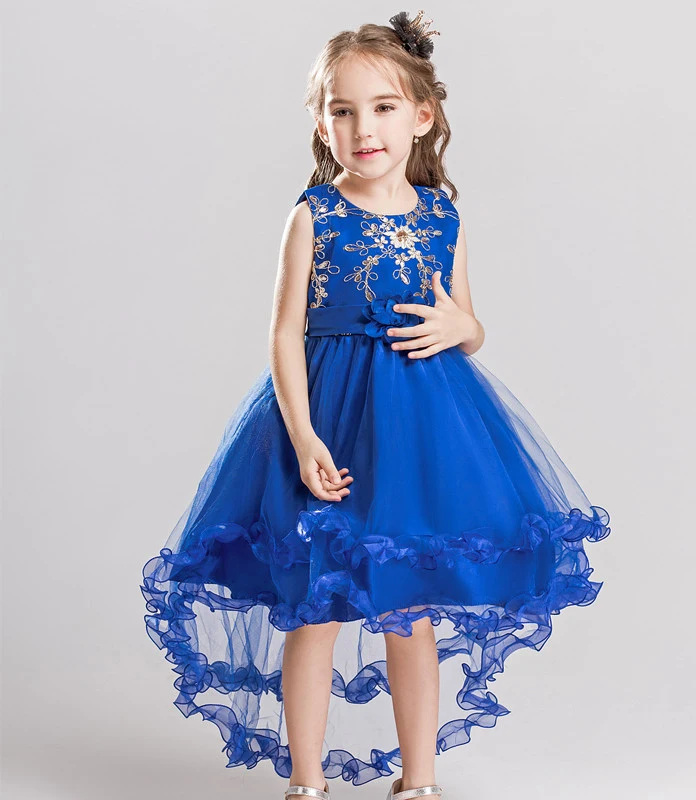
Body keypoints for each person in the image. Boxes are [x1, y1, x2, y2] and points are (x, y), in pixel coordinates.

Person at [140, 10, 611, 800]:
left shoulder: (442, 217)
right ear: (321, 123)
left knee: (410, 605)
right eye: (343, 110)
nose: (365, 129)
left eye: (384, 107)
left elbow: (468, 322)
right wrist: (302, 436)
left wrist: (464, 328)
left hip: (420, 430)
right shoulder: (314, 215)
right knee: (314, 604)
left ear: (421, 116)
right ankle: (307, 783)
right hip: (328, 420)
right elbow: (283, 332)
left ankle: (418, 782)